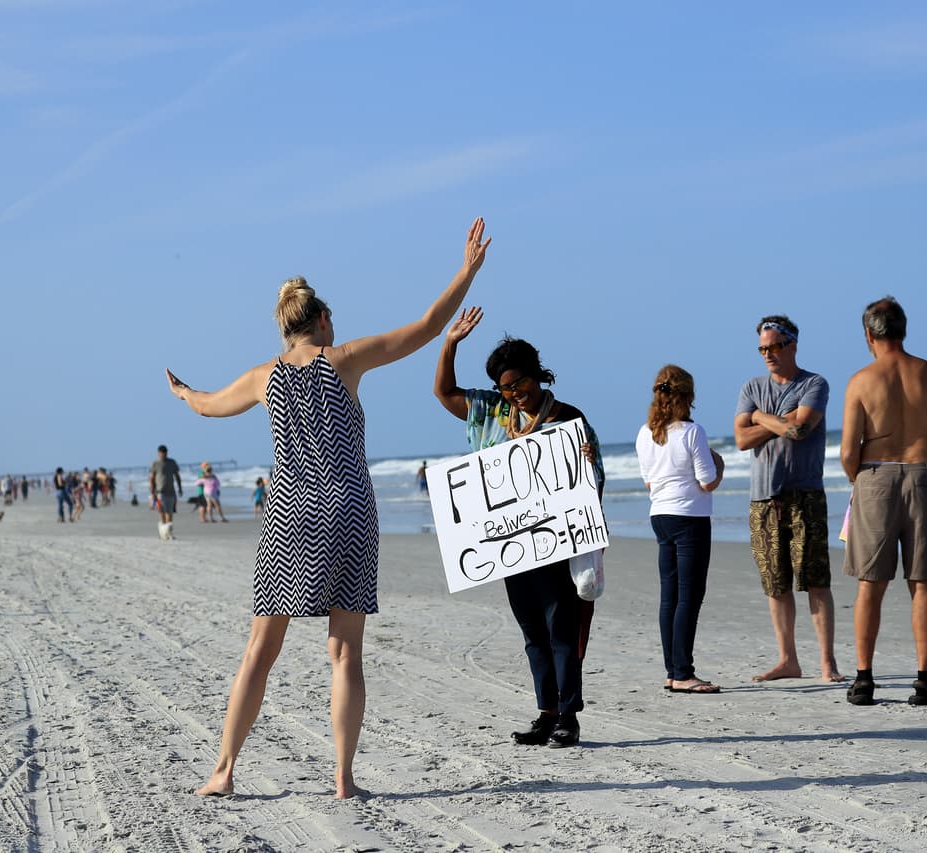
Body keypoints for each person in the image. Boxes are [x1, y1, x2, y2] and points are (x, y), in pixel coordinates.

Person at [168, 217, 489, 799]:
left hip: (291, 514)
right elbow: (426, 327)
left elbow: (209, 407)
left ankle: (223, 772)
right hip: (350, 514)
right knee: (344, 651)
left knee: (259, 652)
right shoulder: (344, 360)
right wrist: (466, 271)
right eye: (332, 318)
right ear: (320, 320)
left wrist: (184, 393)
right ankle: (343, 779)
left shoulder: (264, 376)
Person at [433, 306, 603, 748]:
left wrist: (585, 469)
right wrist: (450, 342)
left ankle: (569, 717)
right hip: (509, 546)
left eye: (520, 384)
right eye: (505, 388)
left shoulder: (568, 418)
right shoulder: (491, 413)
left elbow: (595, 479)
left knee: (562, 630)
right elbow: (444, 391)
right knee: (532, 633)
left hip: (556, 542)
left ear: (537, 375)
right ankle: (546, 712)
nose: (514, 394)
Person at [839, 296, 927, 707]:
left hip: (875, 477)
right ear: (904, 330)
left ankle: (863, 680)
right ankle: (925, 680)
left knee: (870, 583)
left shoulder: (861, 381)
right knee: (924, 584)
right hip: (925, 476)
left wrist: (861, 484)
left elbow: (847, 450)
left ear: (868, 335)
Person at [735, 314, 843, 683]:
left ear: (793, 345)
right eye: (763, 348)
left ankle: (827, 663)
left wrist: (760, 420)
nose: (768, 354)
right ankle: (788, 660)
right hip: (763, 497)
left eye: (775, 347)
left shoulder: (814, 383)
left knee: (816, 579)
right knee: (775, 582)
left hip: (805, 494)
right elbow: (741, 440)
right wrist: (775, 420)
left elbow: (800, 429)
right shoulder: (752, 387)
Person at [635, 365, 725, 694]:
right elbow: (707, 481)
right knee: (689, 596)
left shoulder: (645, 433)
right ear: (687, 397)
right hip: (689, 517)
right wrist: (721, 464)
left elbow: (648, 482)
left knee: (669, 597)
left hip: (660, 515)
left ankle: (673, 671)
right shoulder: (691, 431)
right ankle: (684, 672)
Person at [149, 445, 183, 540]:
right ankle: (162, 533)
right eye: (161, 452)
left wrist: (180, 488)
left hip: (171, 491)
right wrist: (152, 492)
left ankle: (169, 533)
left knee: (170, 512)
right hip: (160, 492)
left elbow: (177, 476)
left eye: (165, 452)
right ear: (158, 453)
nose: (163, 454)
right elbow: (151, 478)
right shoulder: (155, 463)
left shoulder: (172, 462)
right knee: (162, 512)